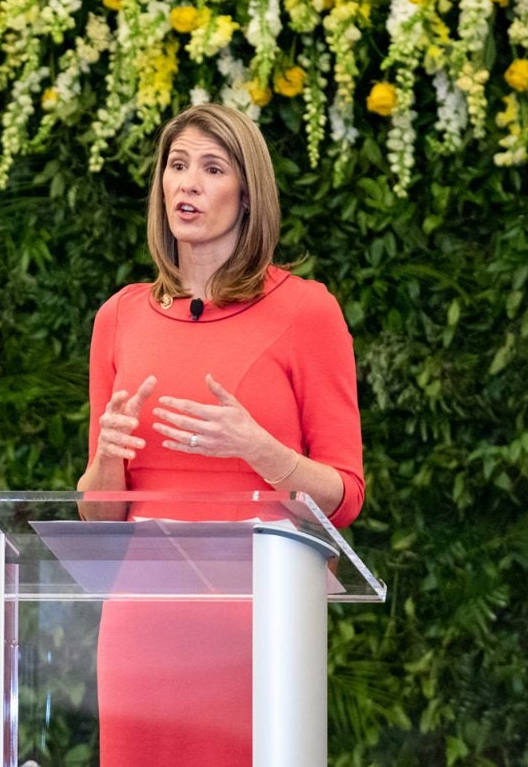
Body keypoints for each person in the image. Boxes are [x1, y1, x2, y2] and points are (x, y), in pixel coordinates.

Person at [75, 102, 365, 765]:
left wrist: (260, 451)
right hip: (141, 629)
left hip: (258, 623)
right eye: (177, 167)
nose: (188, 184)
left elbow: (345, 496)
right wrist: (108, 461)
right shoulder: (119, 318)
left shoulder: (306, 311)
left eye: (211, 168)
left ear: (246, 195)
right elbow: (98, 514)